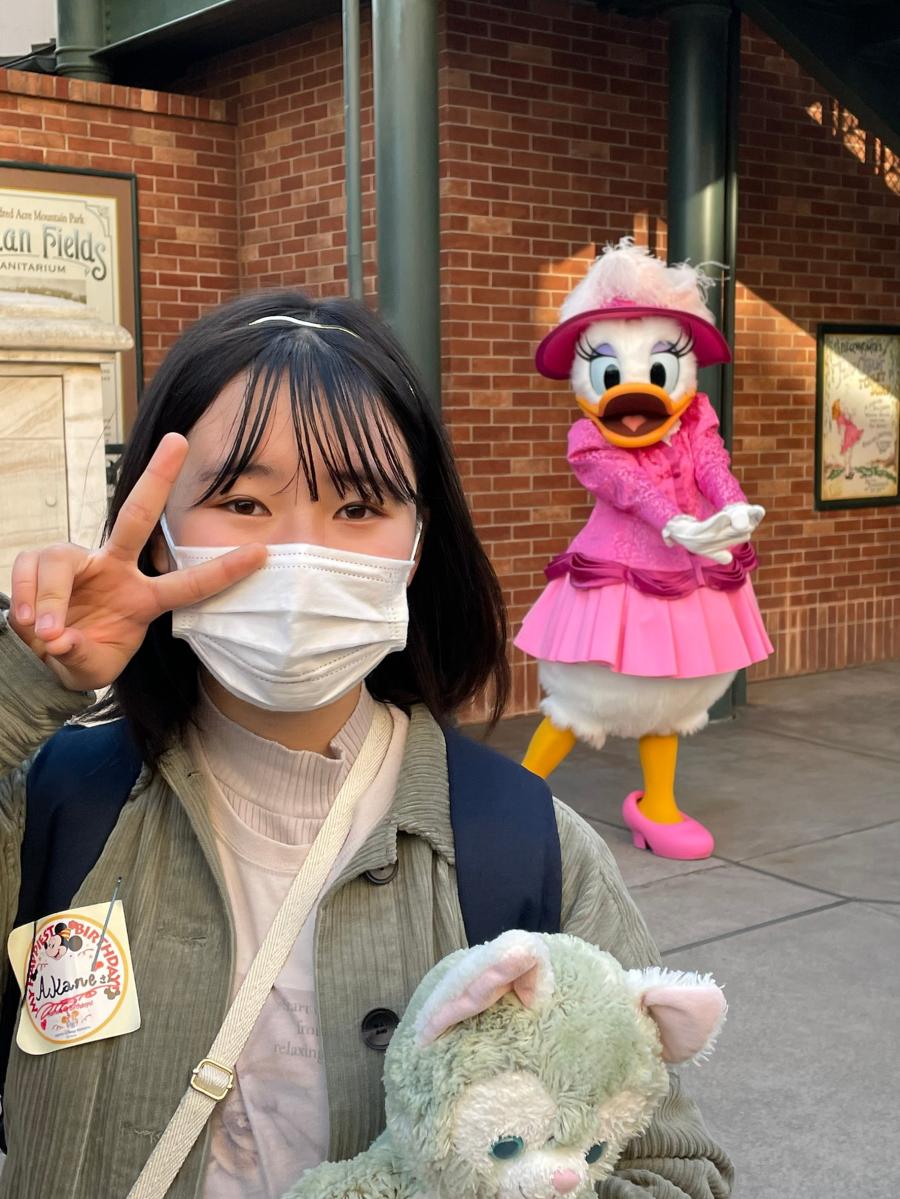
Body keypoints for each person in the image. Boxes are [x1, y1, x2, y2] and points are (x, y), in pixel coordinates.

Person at [0, 292, 733, 1198]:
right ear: (159, 537)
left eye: (357, 506)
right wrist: (24, 686)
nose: (299, 553)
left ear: (417, 545)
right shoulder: (51, 803)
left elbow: (671, 1170)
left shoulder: (526, 847)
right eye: (243, 501)